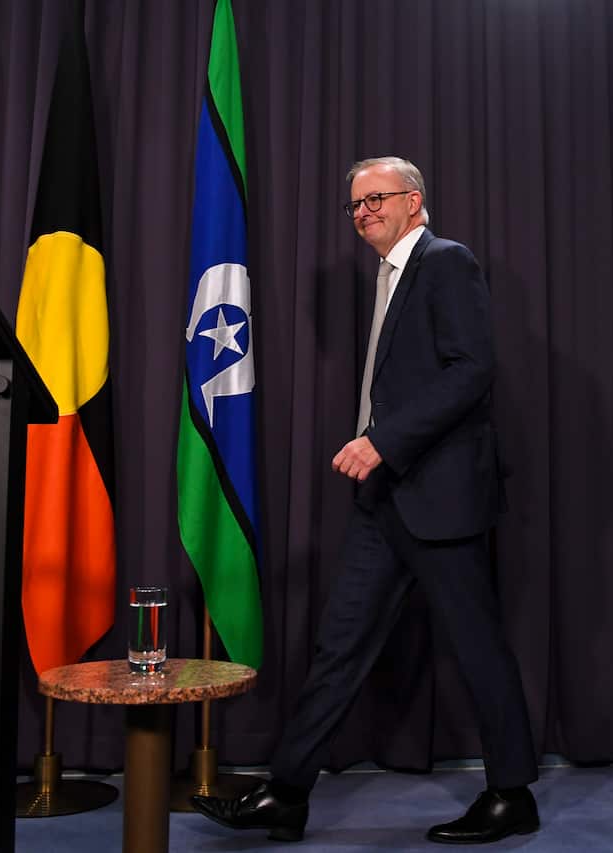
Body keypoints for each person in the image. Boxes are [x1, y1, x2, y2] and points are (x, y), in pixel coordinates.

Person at [193, 156, 538, 844]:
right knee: (339, 646)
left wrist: (382, 440)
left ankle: (511, 795)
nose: (363, 213)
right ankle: (288, 793)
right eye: (354, 205)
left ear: (414, 201)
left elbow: (472, 370)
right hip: (385, 502)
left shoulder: (447, 262)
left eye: (375, 199)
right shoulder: (387, 278)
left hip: (439, 496)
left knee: (478, 648)